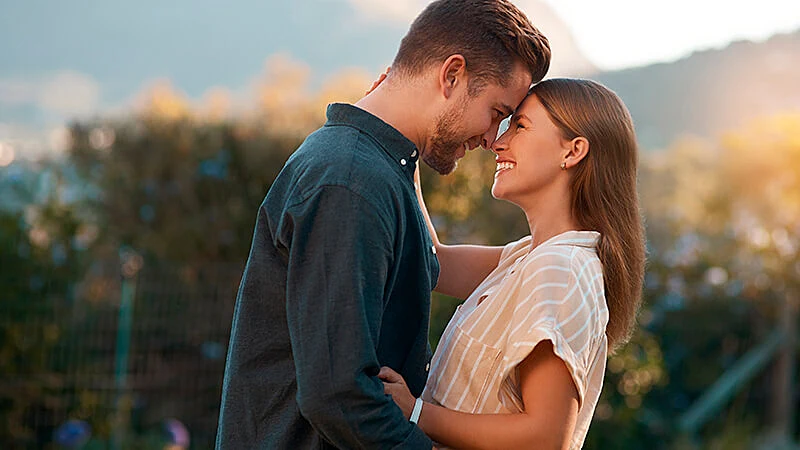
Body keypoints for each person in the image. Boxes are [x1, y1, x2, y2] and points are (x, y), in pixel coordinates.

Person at [214, 1, 551, 448]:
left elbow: (432, 266)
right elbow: (339, 395)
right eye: (495, 112)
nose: (492, 138)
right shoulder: (350, 181)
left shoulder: (376, 171)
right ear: (452, 75)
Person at [379, 78, 646, 449]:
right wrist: (401, 131)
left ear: (572, 152)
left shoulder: (561, 269)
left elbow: (544, 438)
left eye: (519, 126)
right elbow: (431, 261)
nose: (498, 143)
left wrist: (416, 412)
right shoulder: (531, 257)